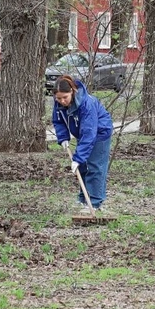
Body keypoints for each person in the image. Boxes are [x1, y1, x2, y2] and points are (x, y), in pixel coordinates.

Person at [53, 75, 113, 213]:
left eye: (65, 97)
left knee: (94, 166)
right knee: (83, 167)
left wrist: (78, 158)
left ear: (72, 92)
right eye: (59, 98)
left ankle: (95, 203)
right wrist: (63, 137)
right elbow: (58, 121)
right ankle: (83, 199)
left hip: (100, 132)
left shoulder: (87, 104)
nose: (62, 101)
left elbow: (89, 132)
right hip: (84, 133)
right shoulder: (58, 104)